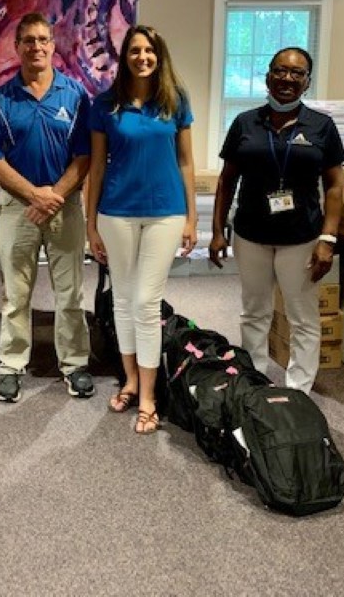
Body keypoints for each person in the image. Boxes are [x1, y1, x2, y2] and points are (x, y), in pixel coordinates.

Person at [208, 46, 344, 393]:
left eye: (296, 73)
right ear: (268, 75)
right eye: (280, 70)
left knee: (302, 316)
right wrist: (217, 231)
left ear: (307, 82)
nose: (287, 78)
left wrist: (328, 240)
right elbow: (227, 180)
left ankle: (298, 388)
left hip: (301, 237)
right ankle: (253, 380)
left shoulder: (321, 127)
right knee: (254, 310)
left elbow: (334, 186)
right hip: (251, 233)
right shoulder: (244, 123)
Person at [86, 25, 197, 434]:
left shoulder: (176, 101)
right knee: (124, 300)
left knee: (147, 303)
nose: (142, 57)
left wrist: (191, 217)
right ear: (124, 57)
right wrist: (90, 223)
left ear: (159, 55)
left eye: (149, 50)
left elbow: (186, 162)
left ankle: (148, 395)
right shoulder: (105, 105)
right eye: (135, 50)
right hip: (116, 213)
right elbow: (97, 167)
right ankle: (131, 379)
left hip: (165, 213)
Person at [0, 11, 94, 403]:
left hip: (64, 205)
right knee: (15, 293)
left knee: (71, 292)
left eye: (43, 39)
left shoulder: (75, 94)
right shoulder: (2, 98)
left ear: (53, 45)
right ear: (18, 47)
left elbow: (84, 156)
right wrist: (34, 195)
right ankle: (11, 366)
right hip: (18, 208)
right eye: (29, 40)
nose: (37, 47)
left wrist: (53, 196)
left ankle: (75, 364)